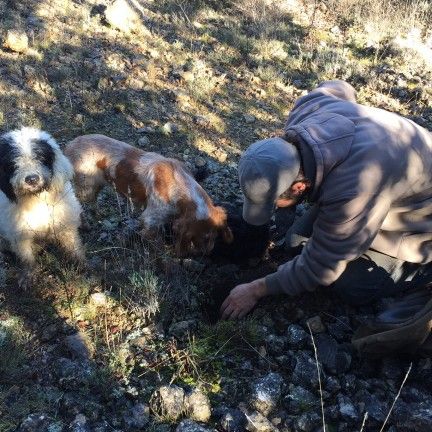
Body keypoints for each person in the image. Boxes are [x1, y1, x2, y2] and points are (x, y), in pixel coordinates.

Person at [220, 80, 432, 321]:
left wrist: (256, 289)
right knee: (295, 241)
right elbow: (339, 87)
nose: (273, 212)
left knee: (349, 285)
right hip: (392, 183)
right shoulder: (306, 113)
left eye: (274, 204)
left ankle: (421, 271)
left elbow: (321, 268)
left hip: (419, 225)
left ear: (299, 187)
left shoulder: (355, 189)